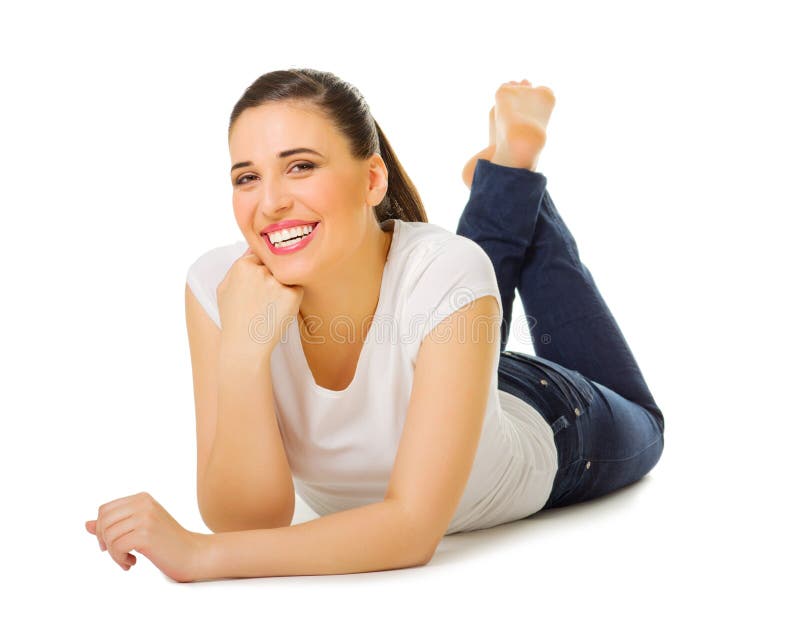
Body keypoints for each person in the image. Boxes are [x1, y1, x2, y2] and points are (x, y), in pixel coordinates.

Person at [183, 68, 665, 573]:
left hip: (550, 419)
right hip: (445, 359)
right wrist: (241, 353)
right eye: (247, 177)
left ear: (371, 179)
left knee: (643, 420)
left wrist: (199, 555)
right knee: (451, 285)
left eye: (300, 166)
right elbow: (247, 523)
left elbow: (411, 531)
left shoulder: (446, 270)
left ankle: (513, 180)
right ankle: (502, 184)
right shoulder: (220, 288)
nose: (270, 202)